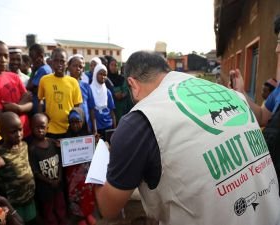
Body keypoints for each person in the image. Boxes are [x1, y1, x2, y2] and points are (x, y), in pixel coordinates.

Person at [93, 51, 280, 225]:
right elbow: (263, 116)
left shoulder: (139, 121)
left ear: (132, 85)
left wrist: (95, 169)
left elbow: (109, 208)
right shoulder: (230, 94)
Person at [0, 40, 32, 139]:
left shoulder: (14, 77)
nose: (3, 60)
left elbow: (30, 103)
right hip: (10, 138)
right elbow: (1, 119)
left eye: (6, 56)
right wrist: (23, 104)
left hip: (27, 131)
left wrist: (18, 108)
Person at [0, 112, 36, 224]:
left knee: (32, 220)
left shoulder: (24, 145)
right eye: (13, 132)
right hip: (13, 203)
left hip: (29, 198)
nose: (18, 134)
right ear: (1, 133)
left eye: (20, 129)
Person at [29, 113, 66, 225]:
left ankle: (62, 220)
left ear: (47, 128)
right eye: (37, 127)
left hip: (58, 183)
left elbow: (60, 162)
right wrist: (50, 182)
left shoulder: (52, 143)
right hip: (45, 188)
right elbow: (35, 172)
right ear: (31, 128)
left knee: (60, 204)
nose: (40, 130)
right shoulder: (32, 149)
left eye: (43, 127)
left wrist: (59, 178)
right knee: (48, 209)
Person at [37, 48, 82, 139]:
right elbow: (40, 99)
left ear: (67, 64)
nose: (59, 64)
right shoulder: (44, 80)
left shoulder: (73, 82)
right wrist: (41, 117)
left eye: (62, 61)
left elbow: (77, 106)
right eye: (56, 61)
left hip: (68, 129)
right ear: (51, 62)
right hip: (50, 129)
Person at [65, 108, 96, 225]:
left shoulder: (88, 136)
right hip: (72, 175)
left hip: (85, 174)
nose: (75, 125)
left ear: (83, 121)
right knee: (75, 195)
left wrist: (95, 142)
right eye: (72, 122)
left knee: (87, 194)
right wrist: (61, 146)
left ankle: (88, 214)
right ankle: (80, 217)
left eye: (78, 121)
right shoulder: (66, 137)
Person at [67, 54, 97, 134]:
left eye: (80, 67)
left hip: (85, 126)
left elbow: (91, 109)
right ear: (68, 67)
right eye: (75, 66)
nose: (78, 68)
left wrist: (94, 129)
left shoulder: (86, 86)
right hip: (68, 127)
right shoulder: (64, 85)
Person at [90, 64, 116, 138]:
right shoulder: (90, 90)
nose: (103, 77)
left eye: (105, 75)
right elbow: (91, 110)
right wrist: (95, 130)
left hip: (108, 125)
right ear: (95, 74)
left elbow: (112, 111)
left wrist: (114, 128)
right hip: (96, 128)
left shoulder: (107, 91)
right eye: (100, 74)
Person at [27, 44, 52, 114]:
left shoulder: (42, 70)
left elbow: (28, 87)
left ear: (40, 56)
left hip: (39, 108)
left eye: (32, 57)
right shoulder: (47, 68)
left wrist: (33, 71)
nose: (31, 60)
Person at [106, 56, 129, 122]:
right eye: (112, 65)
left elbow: (126, 90)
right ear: (108, 66)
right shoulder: (105, 78)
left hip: (121, 107)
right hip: (110, 108)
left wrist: (122, 95)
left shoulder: (121, 78)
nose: (114, 67)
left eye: (115, 65)